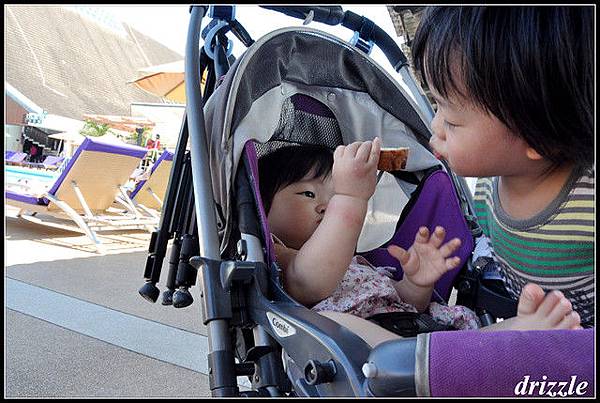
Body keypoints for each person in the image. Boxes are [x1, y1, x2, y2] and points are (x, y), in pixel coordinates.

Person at [258, 139, 582, 344]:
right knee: (330, 324)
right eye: (308, 193)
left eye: (332, 195)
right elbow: (311, 282)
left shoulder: (357, 264)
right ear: (262, 209)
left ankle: (518, 333)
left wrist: (416, 282)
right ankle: (513, 338)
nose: (326, 206)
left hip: (422, 334)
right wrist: (350, 196)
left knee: (464, 338)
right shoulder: (280, 259)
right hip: (377, 362)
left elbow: (400, 301)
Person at [411, 6, 594, 328]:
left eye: (451, 120)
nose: (435, 127)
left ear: (540, 136)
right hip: (528, 316)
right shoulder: (492, 179)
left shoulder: (586, 204)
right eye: (436, 105)